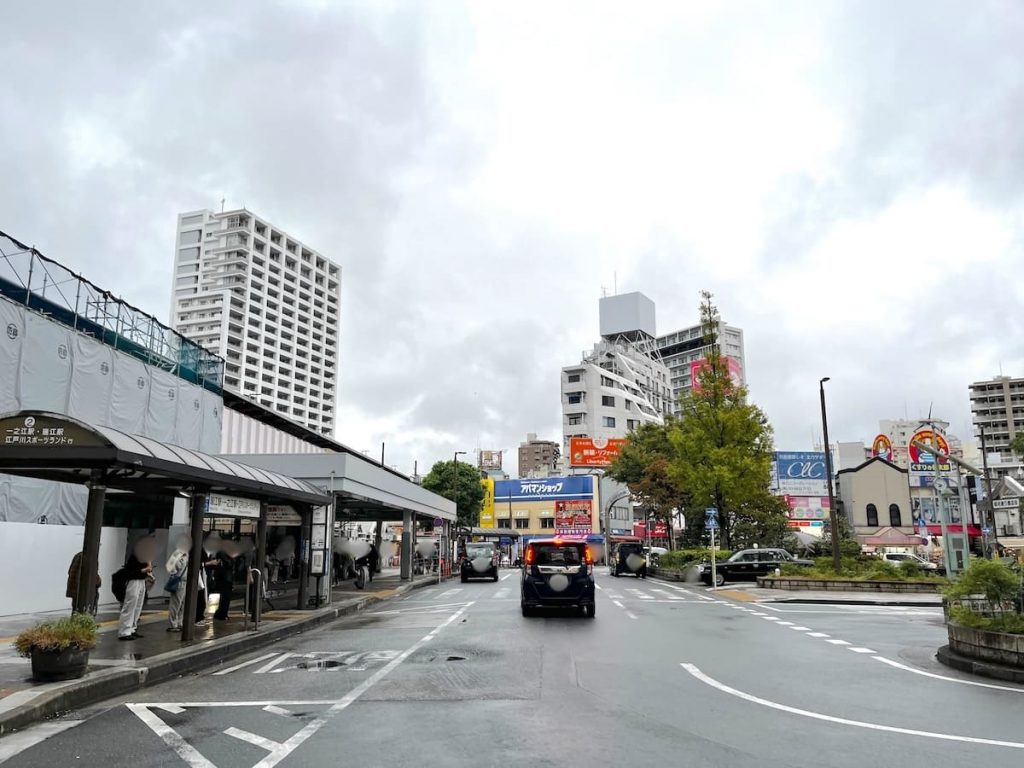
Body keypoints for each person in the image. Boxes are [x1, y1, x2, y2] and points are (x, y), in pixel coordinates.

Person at [118, 547, 153, 641]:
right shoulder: (135, 557)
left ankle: (132, 628)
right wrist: (146, 569)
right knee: (130, 605)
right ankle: (124, 631)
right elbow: (132, 571)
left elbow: (148, 570)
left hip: (141, 581)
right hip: (134, 581)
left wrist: (148, 568)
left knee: (138, 606)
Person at [165, 535, 189, 632]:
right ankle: (172, 624)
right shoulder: (177, 554)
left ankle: (180, 622)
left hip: (186, 581)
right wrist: (175, 572)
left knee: (183, 604)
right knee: (176, 603)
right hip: (179, 581)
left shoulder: (187, 554)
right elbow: (170, 567)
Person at [66, 549, 101, 614]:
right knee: (86, 611)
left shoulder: (78, 555)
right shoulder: (91, 558)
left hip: (76, 591)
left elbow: (70, 571)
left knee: (75, 611)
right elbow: (92, 575)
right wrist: (99, 582)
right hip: (84, 591)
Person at [213, 549, 235, 621]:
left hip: (225, 578)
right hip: (225, 578)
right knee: (225, 598)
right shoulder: (223, 555)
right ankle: (222, 614)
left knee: (224, 598)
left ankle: (222, 614)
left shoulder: (224, 555)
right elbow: (229, 564)